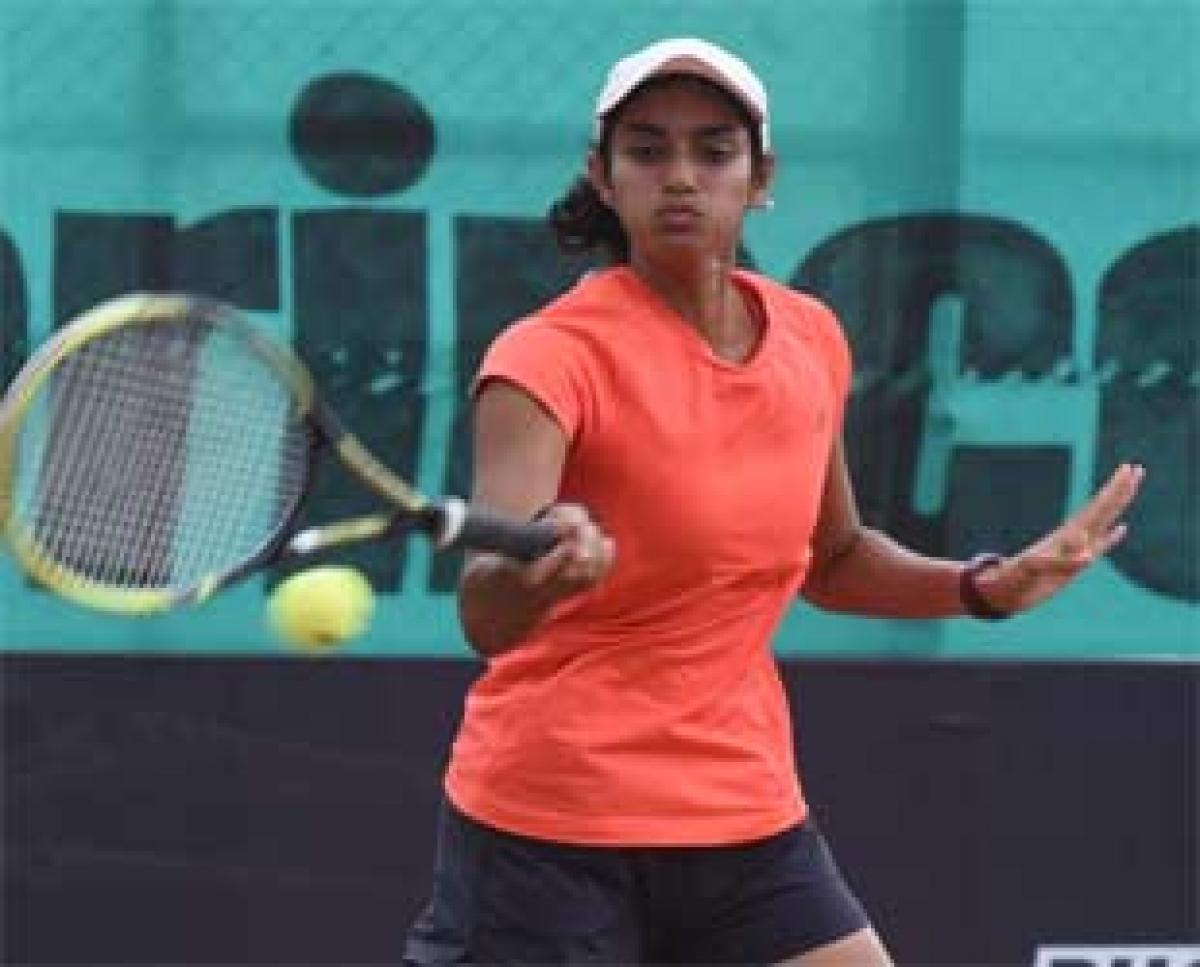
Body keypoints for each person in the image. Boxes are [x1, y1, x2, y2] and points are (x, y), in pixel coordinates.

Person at [403, 37, 1144, 966]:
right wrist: (543, 572)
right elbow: (485, 610)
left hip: (741, 815)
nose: (680, 176)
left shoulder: (809, 337)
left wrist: (984, 586)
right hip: (551, 828)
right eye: (647, 149)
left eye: (714, 150)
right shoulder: (545, 358)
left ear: (761, 178)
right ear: (602, 175)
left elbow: (832, 559)